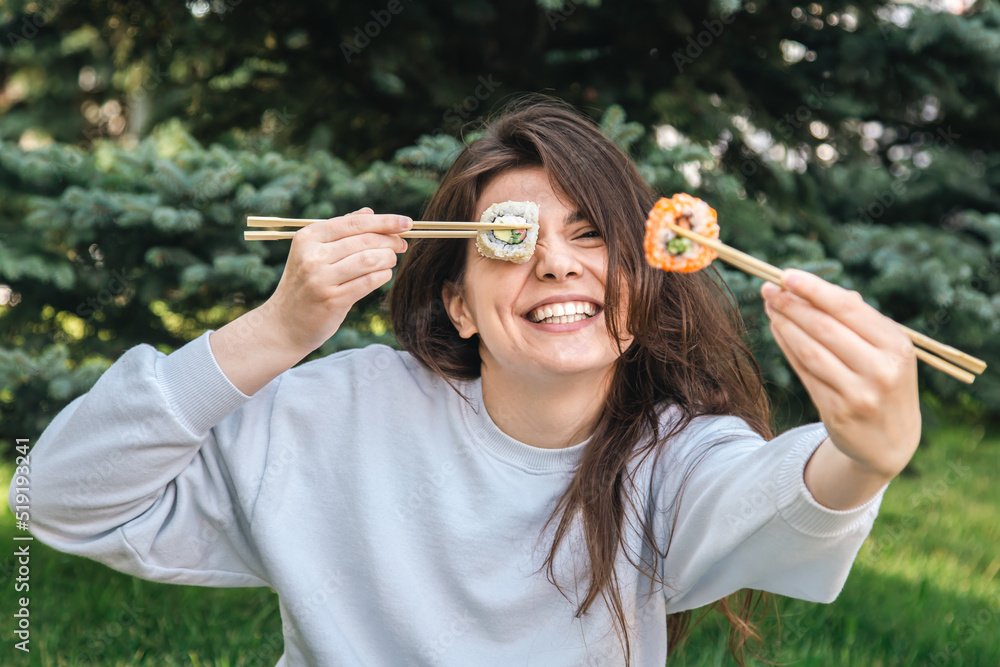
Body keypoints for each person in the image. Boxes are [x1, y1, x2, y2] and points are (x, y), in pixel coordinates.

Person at [10, 96, 921, 666]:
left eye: (594, 233)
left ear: (644, 287)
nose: (560, 265)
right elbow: (59, 499)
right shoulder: (338, 413)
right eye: (511, 238)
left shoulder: (672, 458)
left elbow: (780, 492)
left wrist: (865, 455)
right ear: (458, 305)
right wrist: (278, 328)